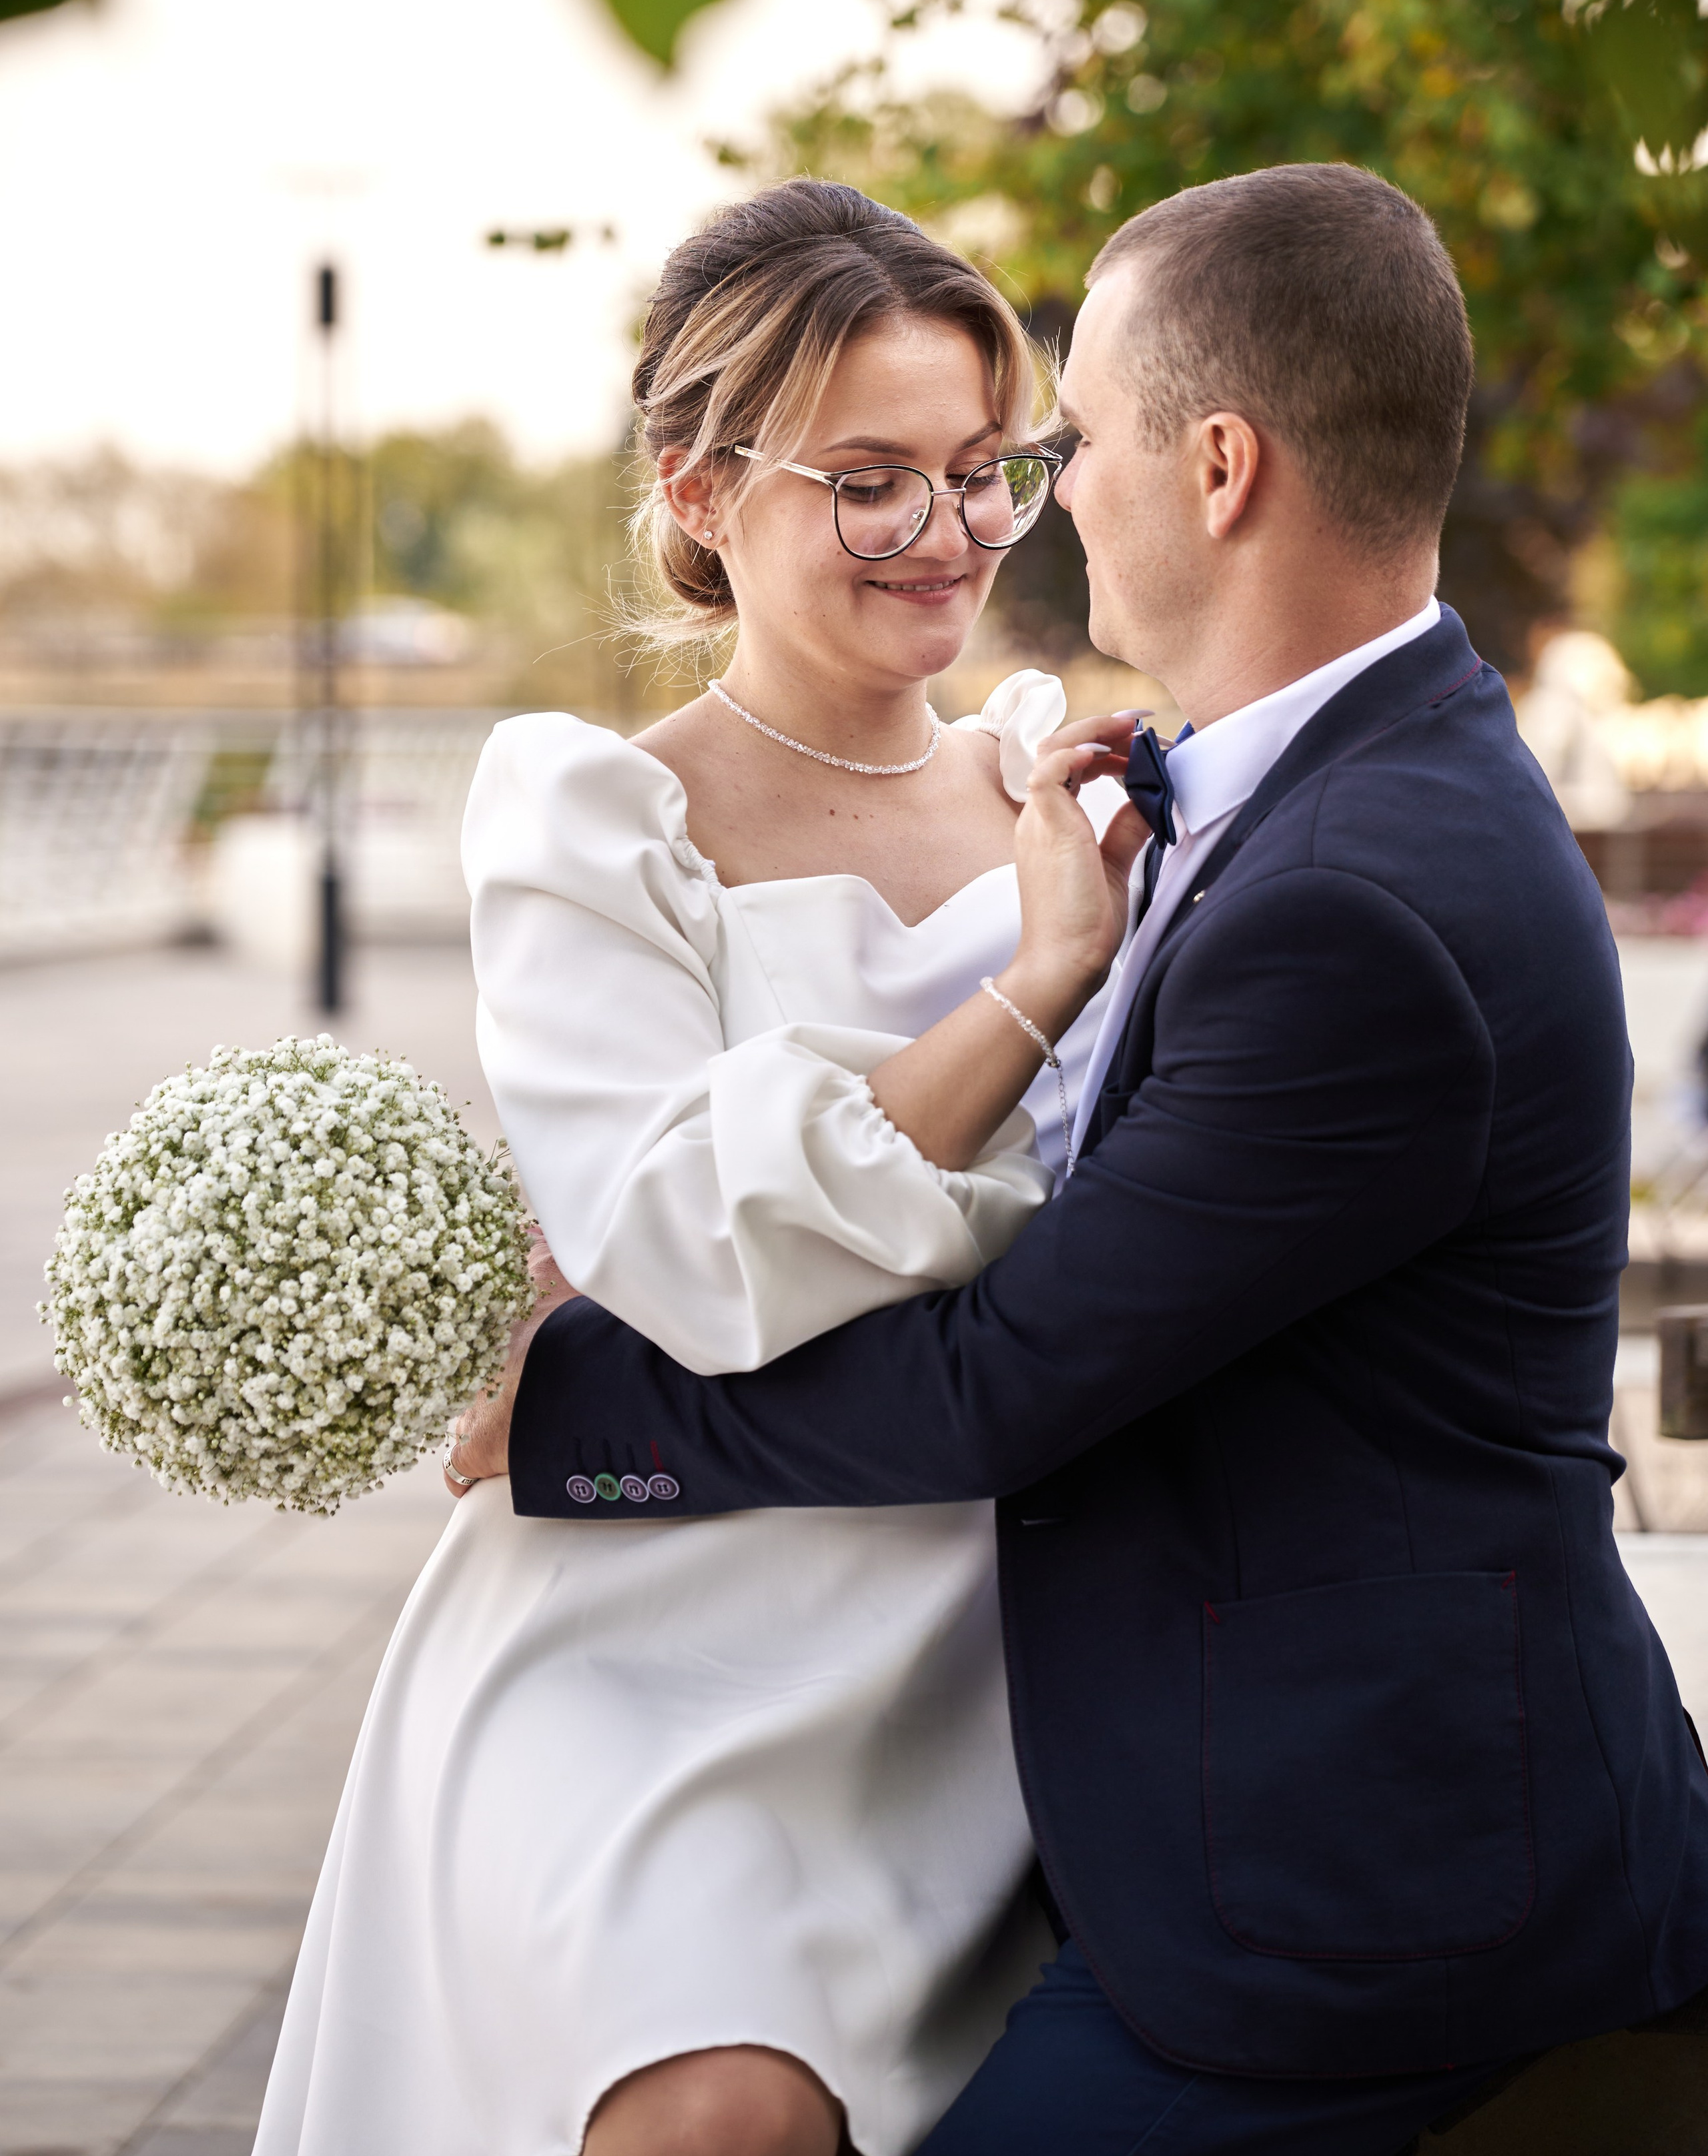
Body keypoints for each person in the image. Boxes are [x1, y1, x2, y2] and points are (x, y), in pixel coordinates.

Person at [475, 163, 1708, 2153]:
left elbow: (1004, 1381)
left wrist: (574, 1410)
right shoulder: (1275, 789)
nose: (1024, 510)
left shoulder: (1355, 894)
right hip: (1082, 1740)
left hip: (1359, 1887)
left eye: (1056, 448)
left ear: (1217, 465)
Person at [254, 178, 1142, 2156]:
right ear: (699, 482)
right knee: (711, 2105)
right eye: (873, 480)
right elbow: (680, 1247)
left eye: (989, 472)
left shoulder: (1062, 789)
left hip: (960, 1645)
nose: (952, 537)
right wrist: (1030, 1000)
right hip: (635, 1639)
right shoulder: (592, 819)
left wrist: (793, 1193)